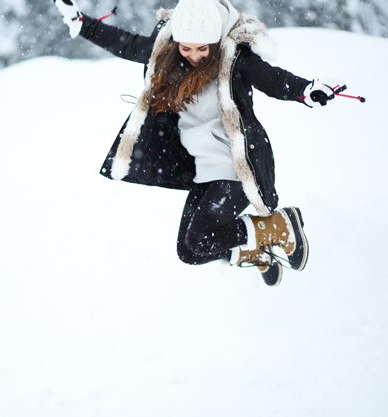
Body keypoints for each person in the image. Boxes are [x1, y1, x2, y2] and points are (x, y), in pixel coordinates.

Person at [52, 0, 345, 286]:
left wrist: (306, 90)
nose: (193, 55)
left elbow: (270, 78)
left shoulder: (234, 59)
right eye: (186, 48)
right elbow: (126, 43)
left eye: (202, 48)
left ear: (215, 41)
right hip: (204, 172)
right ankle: (256, 249)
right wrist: (81, 23)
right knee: (189, 251)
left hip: (236, 168)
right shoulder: (167, 55)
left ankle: (278, 226)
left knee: (201, 238)